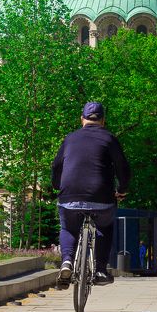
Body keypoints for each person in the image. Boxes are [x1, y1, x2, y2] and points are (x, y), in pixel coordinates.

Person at [51, 102, 131, 288]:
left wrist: (57, 185)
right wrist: (122, 190)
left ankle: (67, 262)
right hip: (101, 197)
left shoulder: (70, 139)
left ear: (82, 119)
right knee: (105, 226)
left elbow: (56, 166)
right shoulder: (110, 139)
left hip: (69, 196)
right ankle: (101, 269)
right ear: (103, 121)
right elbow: (123, 168)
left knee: (69, 228)